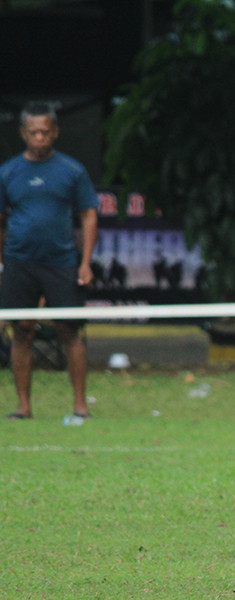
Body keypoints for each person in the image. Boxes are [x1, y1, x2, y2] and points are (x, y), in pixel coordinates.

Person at [0, 102, 99, 420]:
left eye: (45, 132)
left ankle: (80, 406)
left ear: (55, 132)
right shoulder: (8, 172)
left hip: (62, 262)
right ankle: (23, 407)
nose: (40, 138)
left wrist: (85, 262)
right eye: (34, 133)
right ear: (23, 133)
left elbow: (88, 215)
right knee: (22, 331)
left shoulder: (72, 170)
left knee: (70, 331)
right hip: (20, 262)